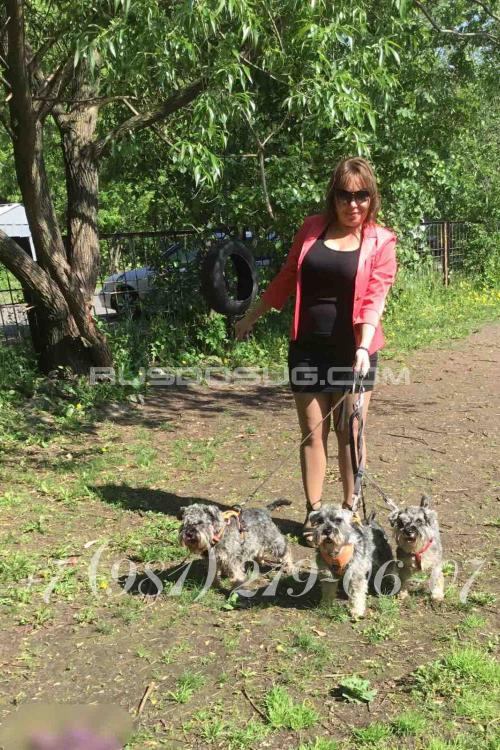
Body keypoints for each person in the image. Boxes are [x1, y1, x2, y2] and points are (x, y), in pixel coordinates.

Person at [234, 157, 397, 545]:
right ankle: (315, 512)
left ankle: (350, 512)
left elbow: (376, 295)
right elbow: (288, 275)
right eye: (345, 194)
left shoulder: (381, 241)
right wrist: (252, 315)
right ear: (334, 195)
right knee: (312, 433)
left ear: (371, 197)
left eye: (361, 195)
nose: (353, 203)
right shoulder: (312, 229)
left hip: (353, 350)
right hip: (307, 348)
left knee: (349, 432)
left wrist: (362, 345)